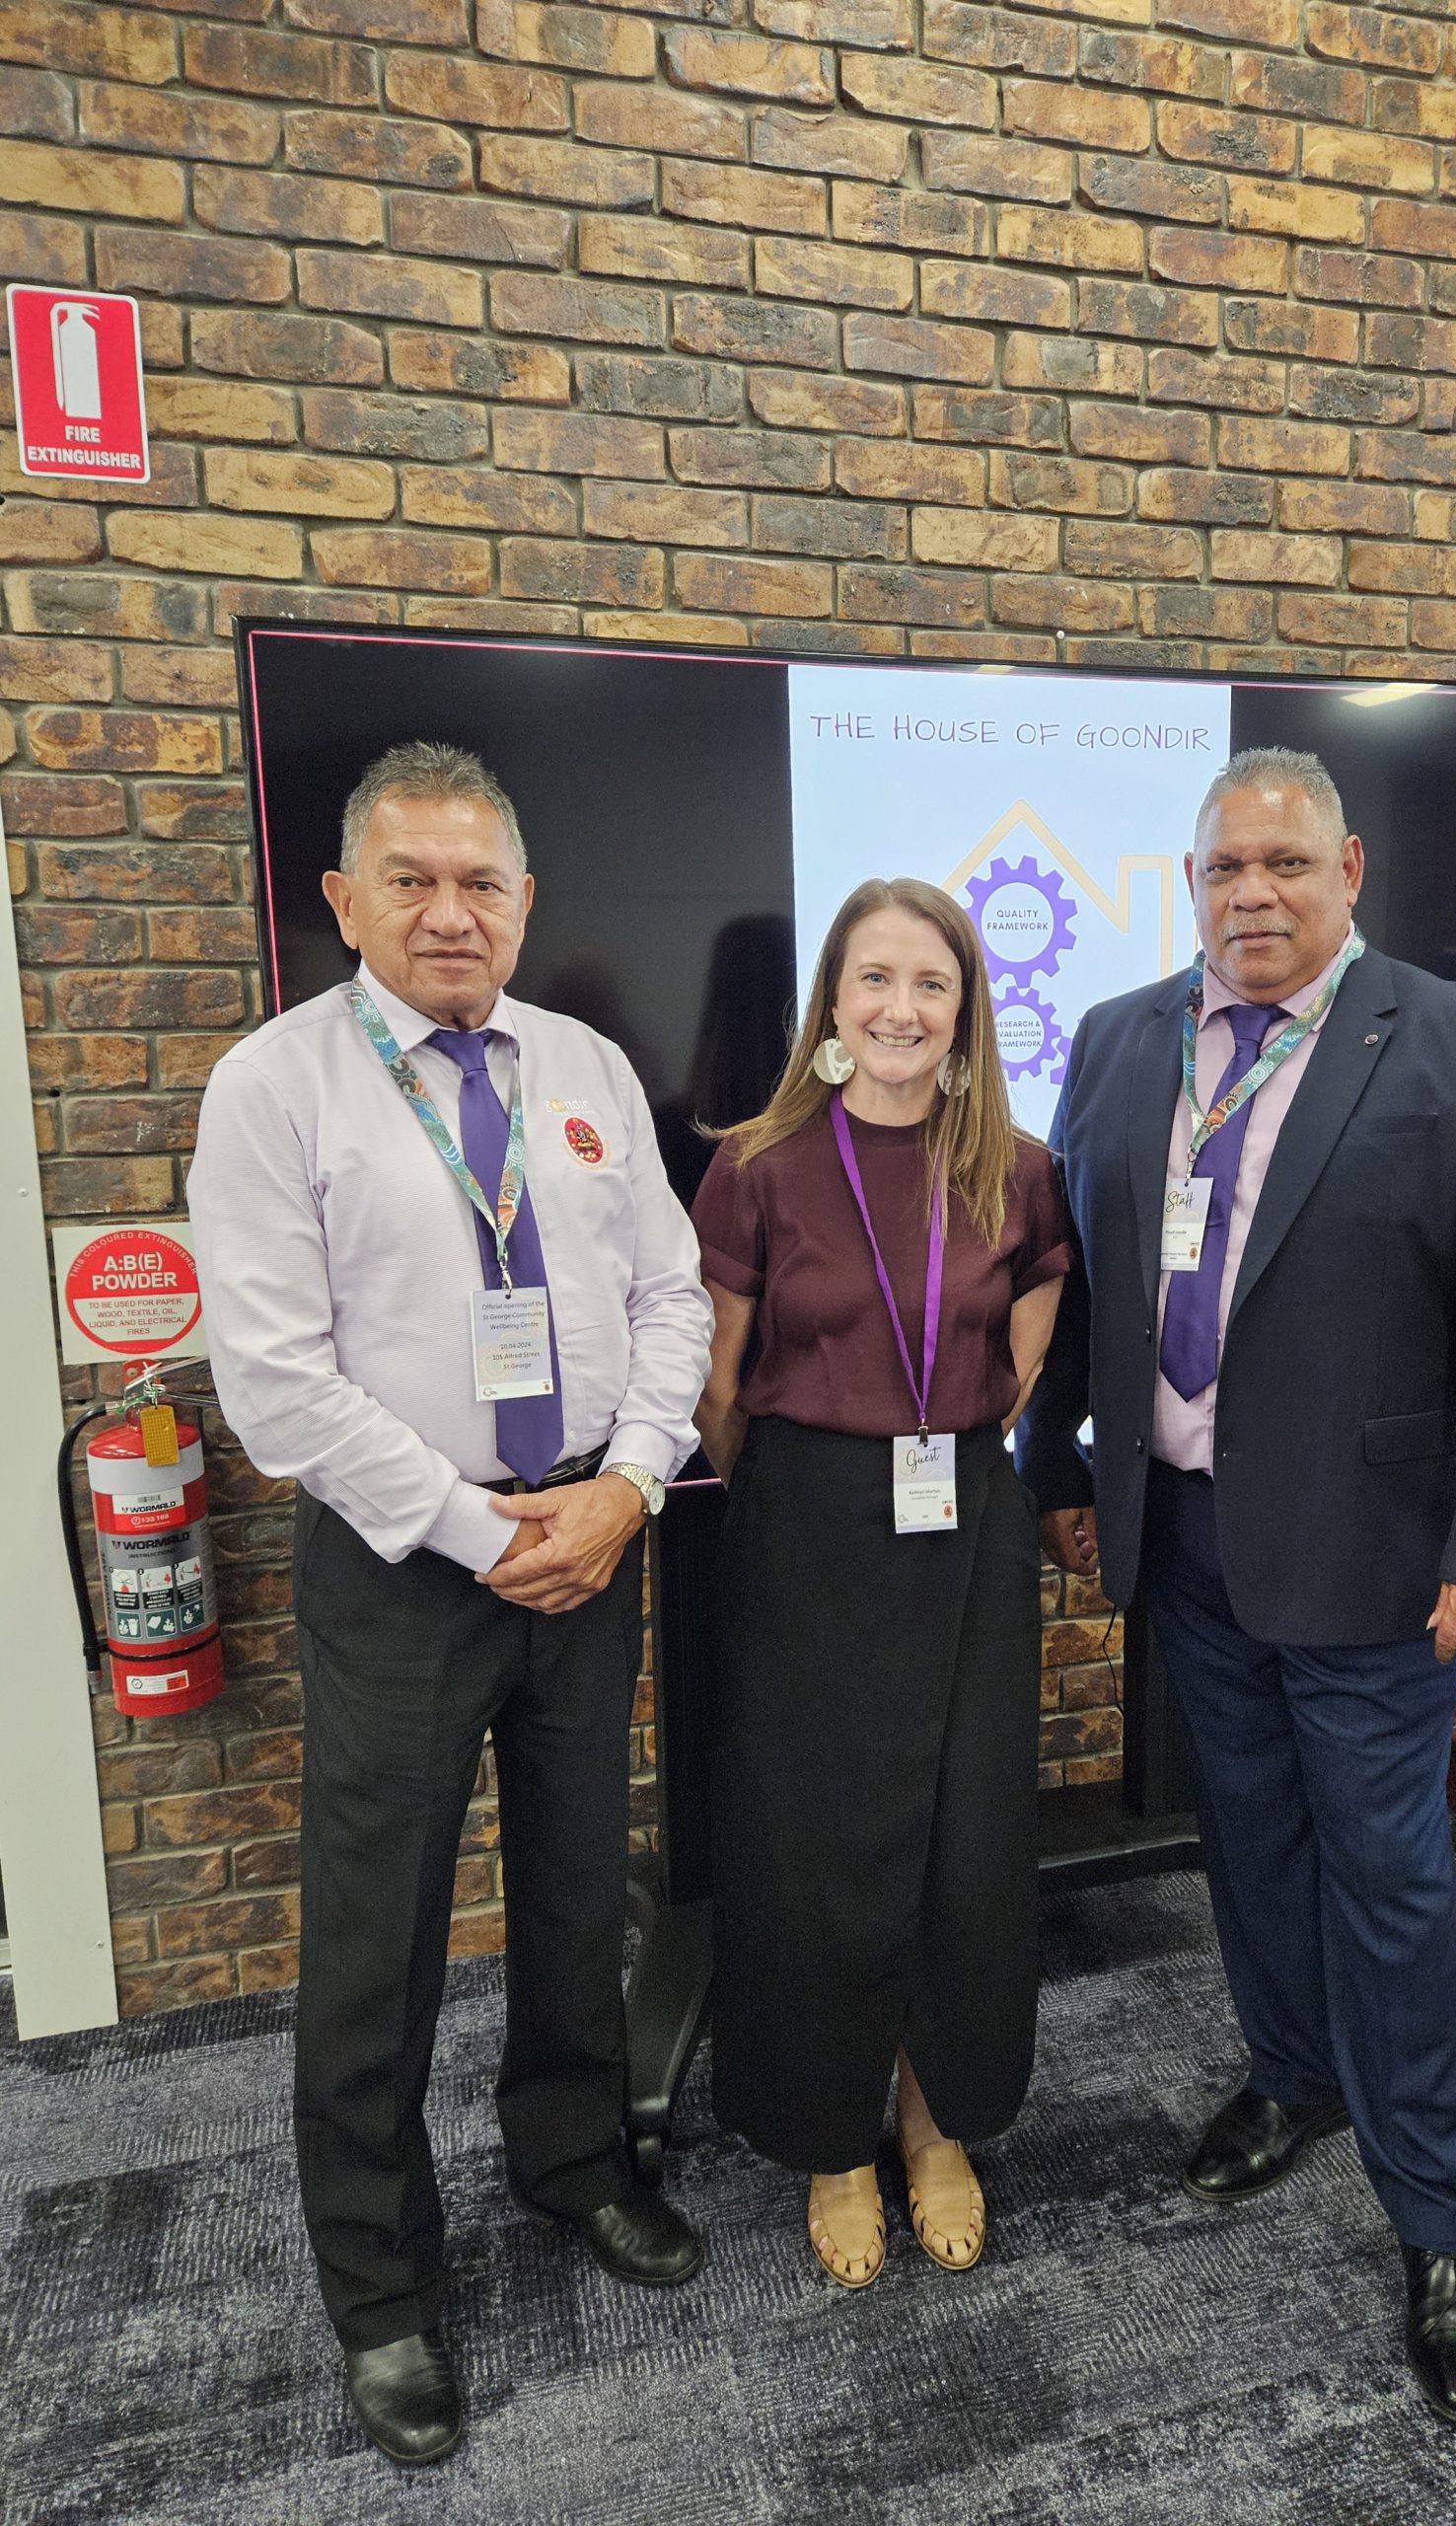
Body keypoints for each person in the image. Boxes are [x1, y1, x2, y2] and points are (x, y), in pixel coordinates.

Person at [1016, 747, 1456, 2427]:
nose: (1251, 895)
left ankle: (1442, 2222)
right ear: (1186, 885)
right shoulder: (1125, 1040)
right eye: (1221, 869)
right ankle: (1292, 2081)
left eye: (1283, 863)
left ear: (1349, 869)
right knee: (1248, 1845)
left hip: (1380, 1567)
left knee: (1392, 1887)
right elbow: (1089, 1279)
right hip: (1189, 1542)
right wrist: (1066, 1469)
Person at [189, 742, 713, 2467]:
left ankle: (574, 2168)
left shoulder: (586, 1070)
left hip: (585, 1531)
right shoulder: (279, 1089)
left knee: (576, 1887)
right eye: (409, 879)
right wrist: (478, 1535)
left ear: (525, 900)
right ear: (343, 901)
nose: (449, 910)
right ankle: (382, 2287)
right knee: (377, 1938)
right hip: (406, 1563)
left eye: (481, 881)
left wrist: (628, 1486)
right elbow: (274, 1388)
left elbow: (668, 1292)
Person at [692, 877, 1069, 2289]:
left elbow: (1028, 1331)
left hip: (963, 1518)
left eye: (932, 982)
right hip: (804, 1527)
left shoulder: (1016, 1168)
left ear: (965, 1007)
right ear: (832, 1005)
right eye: (874, 981)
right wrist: (810, 1481)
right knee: (815, 1849)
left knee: (964, 1843)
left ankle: (934, 2123)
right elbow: (718, 1389)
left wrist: (954, 1433)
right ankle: (834, 2142)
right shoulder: (755, 1164)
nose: (902, 1008)